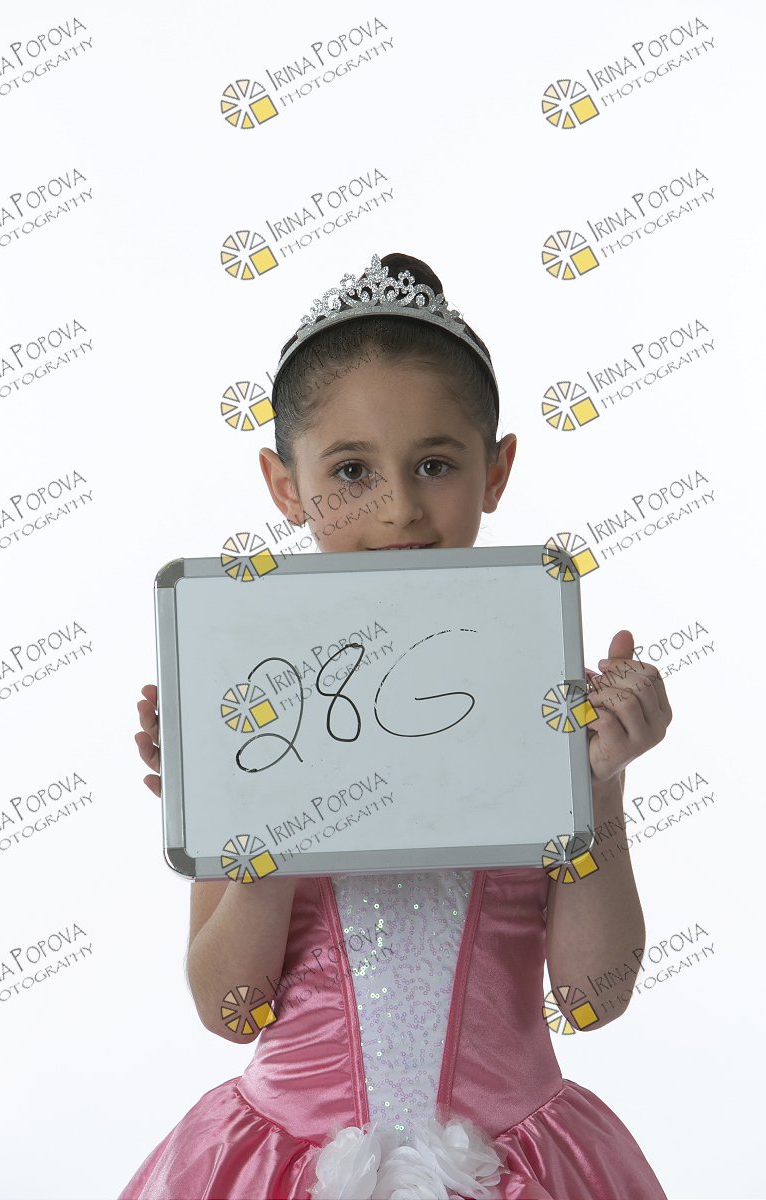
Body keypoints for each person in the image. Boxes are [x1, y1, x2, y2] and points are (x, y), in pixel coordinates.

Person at [118, 251, 673, 1200]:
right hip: (289, 1160)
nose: (400, 506)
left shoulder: (544, 705)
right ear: (285, 486)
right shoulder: (253, 711)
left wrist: (601, 786)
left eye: (435, 464)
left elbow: (593, 997)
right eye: (350, 471)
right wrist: (253, 805)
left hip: (512, 1164)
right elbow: (229, 1008)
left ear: (496, 470)